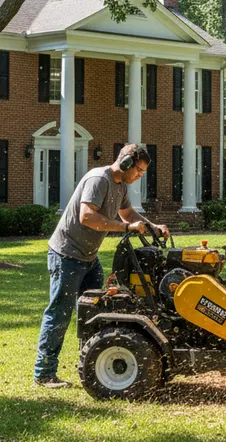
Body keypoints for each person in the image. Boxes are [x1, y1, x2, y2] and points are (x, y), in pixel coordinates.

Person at [34, 143, 169, 388]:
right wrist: (125, 228)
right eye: (138, 170)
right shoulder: (99, 179)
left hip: (88, 257)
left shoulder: (120, 186)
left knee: (96, 313)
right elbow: (87, 217)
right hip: (66, 255)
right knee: (60, 312)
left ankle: (90, 363)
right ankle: (43, 374)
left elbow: (128, 214)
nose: (139, 175)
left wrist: (152, 227)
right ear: (126, 162)